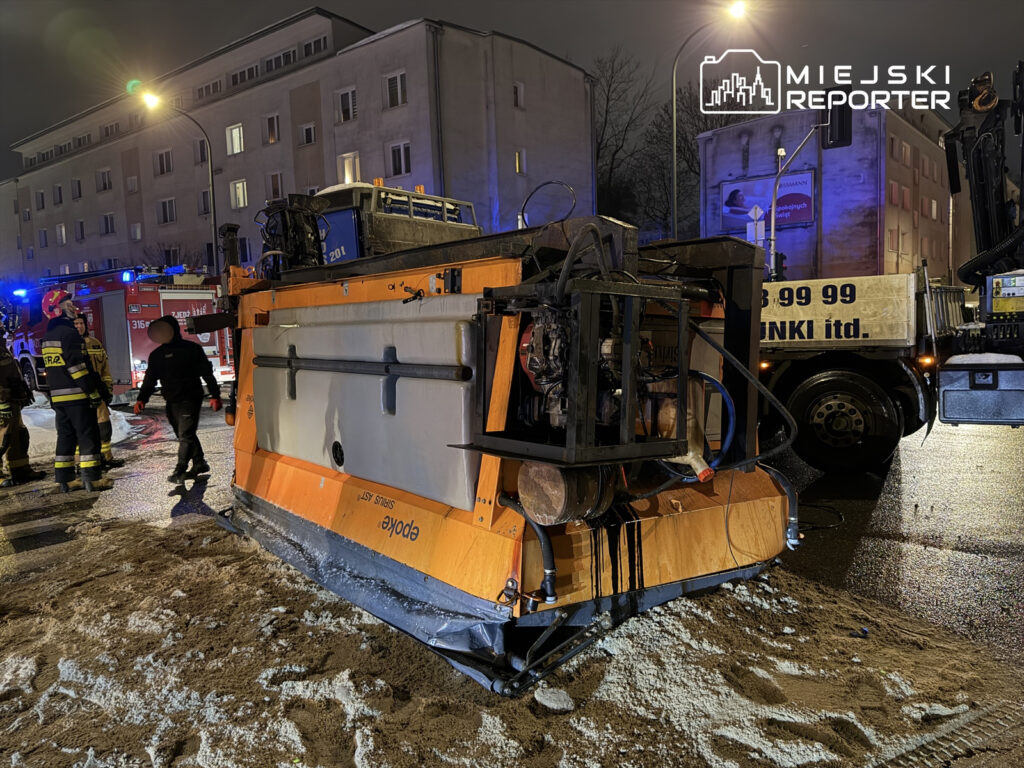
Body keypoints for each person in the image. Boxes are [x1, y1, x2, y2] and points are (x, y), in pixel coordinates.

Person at [133, 315, 222, 484]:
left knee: (186, 434)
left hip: (191, 397)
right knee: (183, 434)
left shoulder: (191, 349)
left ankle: (179, 470)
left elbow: (207, 374)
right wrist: (141, 399)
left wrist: (215, 395)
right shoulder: (157, 355)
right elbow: (150, 379)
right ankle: (199, 462)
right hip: (171, 400)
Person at [41, 289, 109, 492]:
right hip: (77, 396)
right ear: (56, 310)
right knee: (88, 436)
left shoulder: (48, 336)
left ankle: (65, 479)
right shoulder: (69, 334)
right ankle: (92, 479)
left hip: (59, 399)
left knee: (66, 437)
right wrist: (92, 392)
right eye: (67, 304)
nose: (73, 307)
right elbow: (77, 367)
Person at [73, 314, 125, 469]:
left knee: (104, 426)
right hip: (79, 394)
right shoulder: (69, 345)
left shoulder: (95, 344)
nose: (79, 326)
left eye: (81, 323)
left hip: (98, 392)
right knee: (80, 429)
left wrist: (108, 388)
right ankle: (79, 462)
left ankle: (106, 457)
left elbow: (105, 369)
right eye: (75, 324)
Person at [0, 326, 47, 487]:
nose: (2, 326)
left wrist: (23, 389)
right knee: (2, 438)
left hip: (11, 400)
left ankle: (20, 469)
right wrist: (2, 401)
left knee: (18, 434)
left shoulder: (2, 346)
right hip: (3, 401)